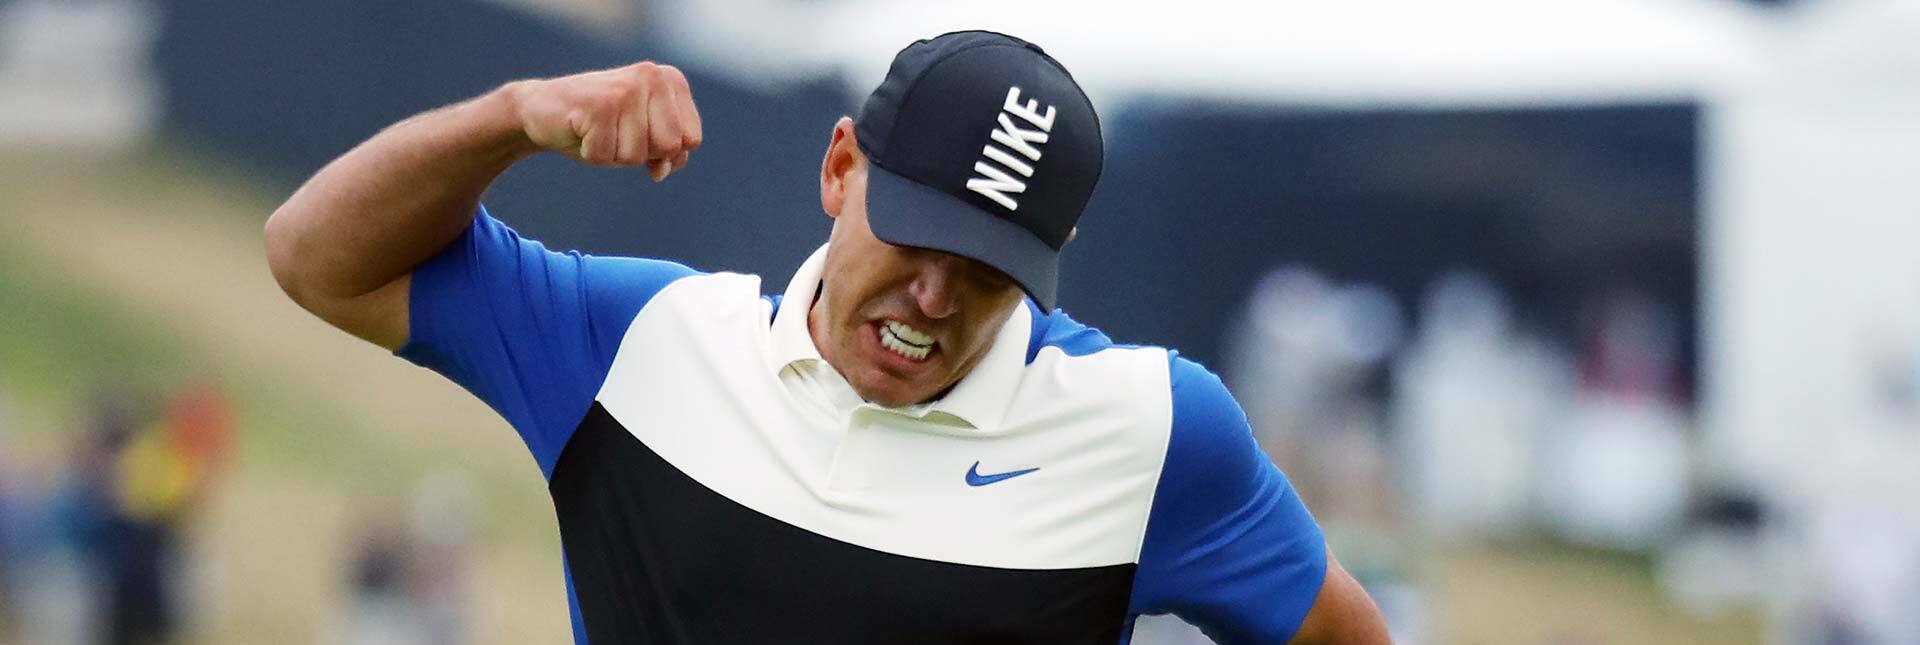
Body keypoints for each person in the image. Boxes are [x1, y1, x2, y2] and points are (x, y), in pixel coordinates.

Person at [265, 30, 1388, 644]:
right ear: (840, 167)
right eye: (913, 238)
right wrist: (510, 119)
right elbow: (316, 256)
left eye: (991, 270)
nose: (935, 300)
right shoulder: (637, 341)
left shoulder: (1152, 432)